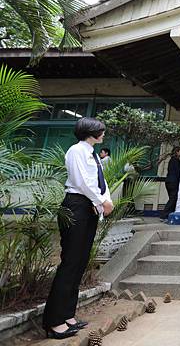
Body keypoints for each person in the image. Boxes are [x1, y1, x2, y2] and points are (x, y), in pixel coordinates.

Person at [43, 118, 114, 339]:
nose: (103, 133)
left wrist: (105, 200)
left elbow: (100, 181)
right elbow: (82, 182)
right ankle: (54, 321)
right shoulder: (76, 151)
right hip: (76, 206)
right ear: (90, 131)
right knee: (70, 262)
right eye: (100, 130)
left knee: (80, 262)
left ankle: (68, 315)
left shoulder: (93, 154)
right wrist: (101, 202)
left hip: (89, 208)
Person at [160, 146, 180, 220]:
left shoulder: (171, 160)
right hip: (174, 182)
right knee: (173, 199)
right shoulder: (176, 160)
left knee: (172, 199)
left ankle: (168, 214)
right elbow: (178, 172)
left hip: (168, 181)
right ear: (177, 152)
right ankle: (164, 215)